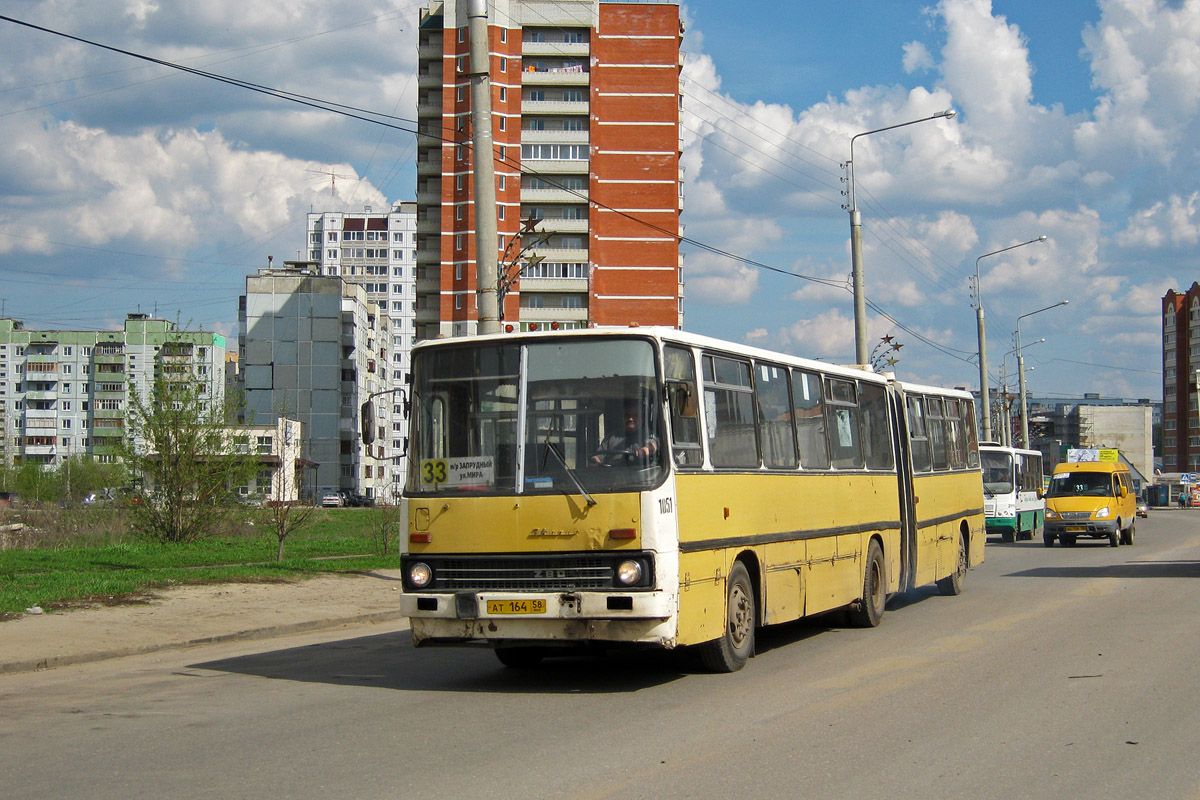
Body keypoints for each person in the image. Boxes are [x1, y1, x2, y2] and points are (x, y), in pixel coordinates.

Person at [591, 398, 658, 466]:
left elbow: (652, 445)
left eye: (635, 415)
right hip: (613, 474)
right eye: (627, 415)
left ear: (642, 418)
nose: (630, 419)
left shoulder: (648, 434)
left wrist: (645, 450)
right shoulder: (611, 437)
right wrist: (594, 461)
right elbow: (599, 456)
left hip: (642, 475)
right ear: (622, 417)